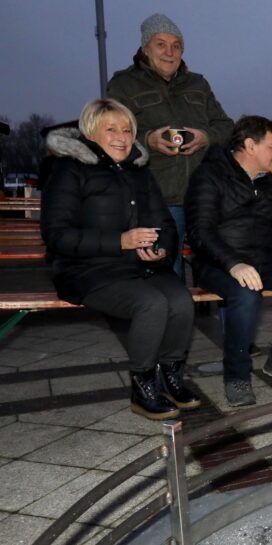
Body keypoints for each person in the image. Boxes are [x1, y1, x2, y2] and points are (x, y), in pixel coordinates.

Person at [41, 98, 198, 421]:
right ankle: (143, 386)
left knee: (181, 301)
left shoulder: (139, 172)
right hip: (86, 269)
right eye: (110, 129)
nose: (121, 137)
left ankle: (171, 374)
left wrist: (161, 247)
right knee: (151, 304)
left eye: (127, 130)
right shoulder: (68, 170)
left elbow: (165, 224)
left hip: (139, 265)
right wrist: (121, 241)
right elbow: (57, 235)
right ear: (90, 132)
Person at [185, 116, 272, 406]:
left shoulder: (271, 183)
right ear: (250, 146)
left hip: (264, 261)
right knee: (246, 295)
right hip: (218, 263)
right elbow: (200, 232)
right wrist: (233, 264)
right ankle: (236, 376)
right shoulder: (209, 176)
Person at [107, 13, 234, 280]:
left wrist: (205, 137)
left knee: (217, 267)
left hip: (204, 195)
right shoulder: (123, 85)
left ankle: (209, 318)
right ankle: (178, 319)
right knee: (169, 269)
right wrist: (148, 140)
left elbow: (226, 126)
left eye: (176, 45)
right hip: (159, 197)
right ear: (145, 48)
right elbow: (109, 136)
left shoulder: (198, 84)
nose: (170, 52)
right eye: (161, 44)